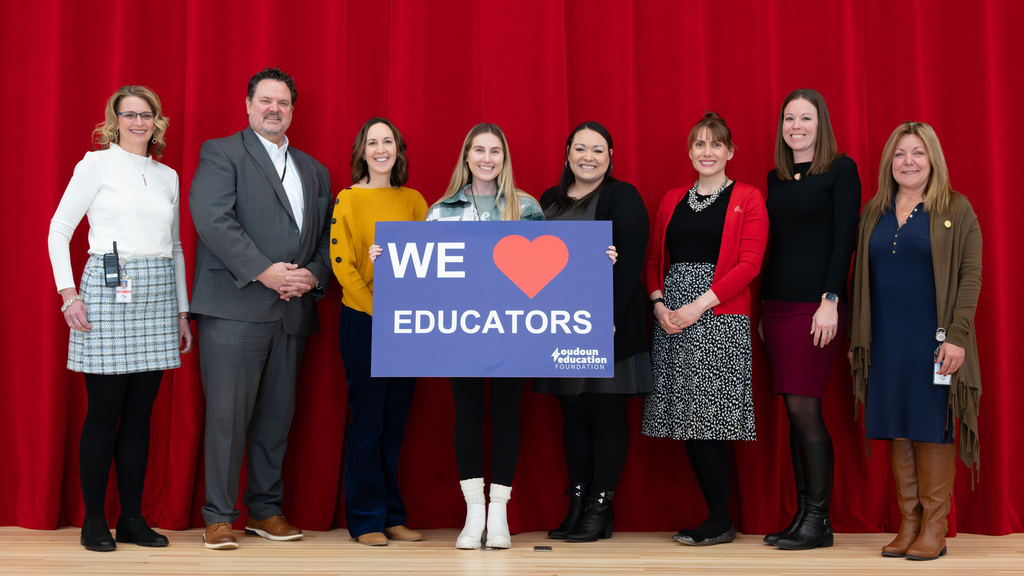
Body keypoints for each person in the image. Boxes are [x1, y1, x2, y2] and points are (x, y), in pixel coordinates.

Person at [189, 68, 333, 550]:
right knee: (227, 417)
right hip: (235, 308)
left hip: (292, 311)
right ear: (249, 105)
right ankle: (219, 516)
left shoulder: (314, 170)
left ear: (293, 110)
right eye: (266, 100)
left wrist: (312, 275)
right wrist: (264, 271)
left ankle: (266, 509)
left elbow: (324, 237)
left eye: (284, 102)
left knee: (277, 416)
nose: (275, 109)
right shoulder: (222, 152)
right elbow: (213, 219)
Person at [47, 85, 192, 552]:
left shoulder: (168, 175)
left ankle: (131, 518)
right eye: (128, 114)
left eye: (146, 114)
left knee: (139, 417)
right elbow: (59, 228)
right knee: (104, 412)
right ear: (114, 120)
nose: (138, 122)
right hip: (107, 290)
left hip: (156, 295)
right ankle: (94, 521)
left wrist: (182, 311)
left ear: (157, 121)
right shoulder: (95, 165)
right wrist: (68, 293)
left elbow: (174, 247)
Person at [849, 121, 982, 561]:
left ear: (933, 160)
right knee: (896, 426)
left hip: (935, 339)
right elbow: (860, 283)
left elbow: (969, 278)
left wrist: (958, 337)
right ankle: (908, 524)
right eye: (900, 153)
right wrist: (858, 340)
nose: (908, 161)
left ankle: (935, 527)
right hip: (886, 339)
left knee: (932, 426)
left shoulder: (956, 209)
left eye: (918, 153)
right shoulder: (875, 211)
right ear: (890, 161)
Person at [642, 112, 768, 546]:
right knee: (686, 420)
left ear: (730, 152)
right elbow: (655, 260)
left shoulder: (748, 197)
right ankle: (716, 517)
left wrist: (697, 306)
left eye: (716, 144)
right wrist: (659, 305)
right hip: (672, 317)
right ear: (690, 152)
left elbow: (749, 264)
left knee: (710, 421)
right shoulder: (671, 199)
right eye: (699, 144)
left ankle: (719, 519)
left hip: (718, 316)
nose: (707, 152)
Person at [533, 122, 652, 543]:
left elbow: (633, 262)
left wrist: (608, 316)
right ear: (567, 154)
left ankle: (601, 508)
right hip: (560, 326)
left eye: (598, 150)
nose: (589, 156)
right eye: (580, 148)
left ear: (611, 157)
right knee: (573, 411)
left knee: (603, 410)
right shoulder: (548, 200)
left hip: (609, 322)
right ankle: (578, 504)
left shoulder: (623, 196)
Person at [428, 122, 542, 550]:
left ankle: (499, 513)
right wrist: (389, 256)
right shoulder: (440, 210)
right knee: (468, 414)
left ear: (504, 158)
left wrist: (598, 260)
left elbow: (549, 276)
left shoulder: (526, 207)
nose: (487, 158)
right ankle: (474, 512)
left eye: (495, 151)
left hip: (513, 333)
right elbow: (427, 275)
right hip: (461, 332)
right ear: (466, 157)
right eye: (479, 150)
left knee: (507, 414)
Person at [759, 89, 862, 550]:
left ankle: (819, 520)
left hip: (814, 307)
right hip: (777, 307)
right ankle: (804, 516)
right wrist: (762, 307)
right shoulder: (775, 178)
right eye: (789, 118)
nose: (796, 126)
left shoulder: (841, 170)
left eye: (805, 118)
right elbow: (772, 247)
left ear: (821, 124)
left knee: (806, 410)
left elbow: (845, 240)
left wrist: (831, 299)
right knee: (791, 410)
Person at [330, 118, 427, 546]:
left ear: (398, 149)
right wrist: (376, 310)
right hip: (364, 321)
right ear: (362, 152)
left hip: (408, 325)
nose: (381, 148)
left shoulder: (415, 201)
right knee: (367, 421)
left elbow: (431, 261)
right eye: (373, 142)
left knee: (395, 422)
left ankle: (392, 514)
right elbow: (341, 265)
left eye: (388, 141)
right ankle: (366, 519)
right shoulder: (348, 200)